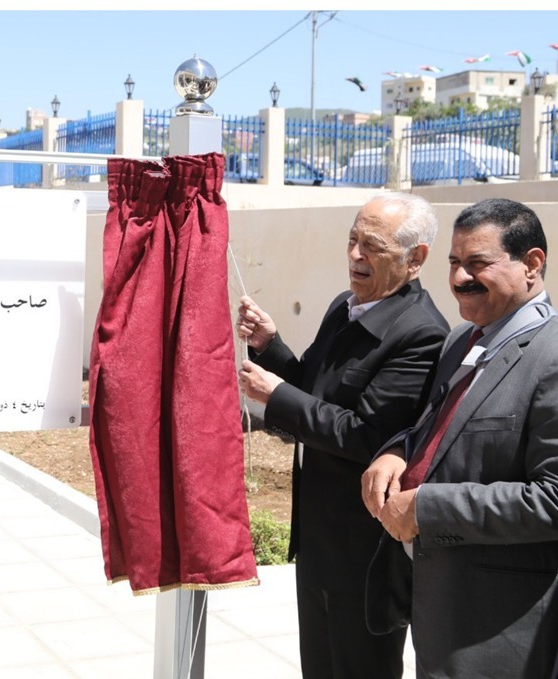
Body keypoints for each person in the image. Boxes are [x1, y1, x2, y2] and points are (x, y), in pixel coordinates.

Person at [237, 192, 449, 679]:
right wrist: (270, 345)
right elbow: (312, 387)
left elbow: (367, 436)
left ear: (415, 258)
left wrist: (276, 396)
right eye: (353, 240)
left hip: (363, 552)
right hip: (319, 537)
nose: (356, 255)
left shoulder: (421, 334)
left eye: (373, 245)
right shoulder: (345, 307)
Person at [362, 198, 558, 678]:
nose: (459, 278)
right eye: (453, 262)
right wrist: (397, 452)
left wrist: (427, 509)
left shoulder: (551, 357)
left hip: (499, 631)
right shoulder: (462, 340)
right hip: (437, 609)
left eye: (477, 263)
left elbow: (552, 499)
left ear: (532, 264)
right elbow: (438, 430)